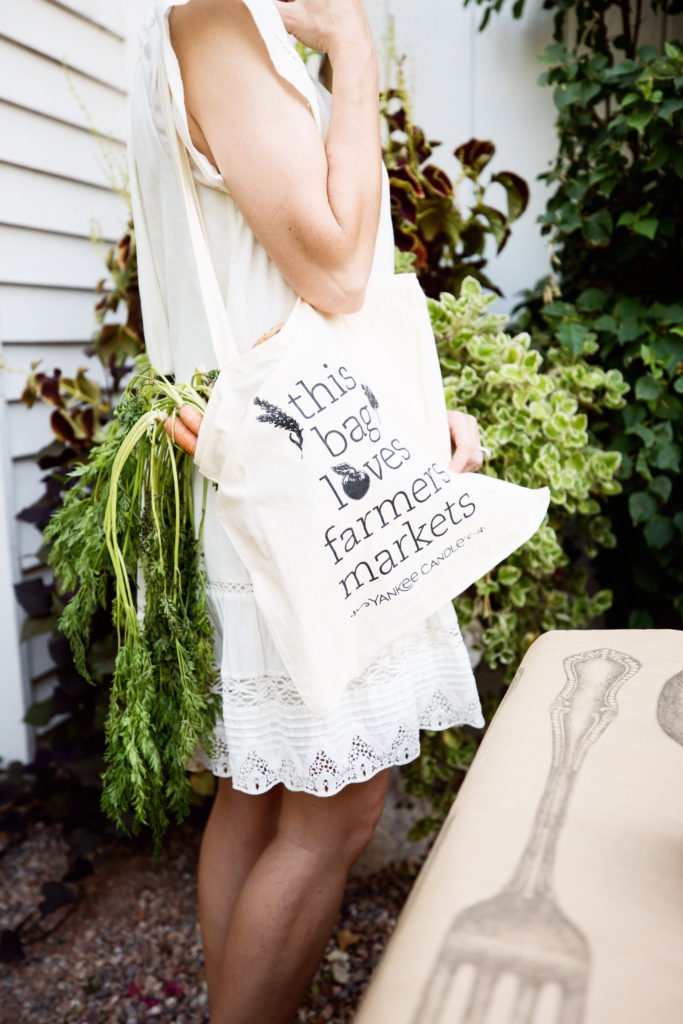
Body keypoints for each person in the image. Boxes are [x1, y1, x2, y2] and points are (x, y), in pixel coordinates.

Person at [129, 2, 486, 1022]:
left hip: (288, 457)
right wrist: (358, 45)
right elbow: (333, 266)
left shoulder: (208, 26)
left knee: (264, 787)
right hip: (290, 485)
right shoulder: (215, 22)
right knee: (334, 811)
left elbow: (279, 283)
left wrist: (414, 413)